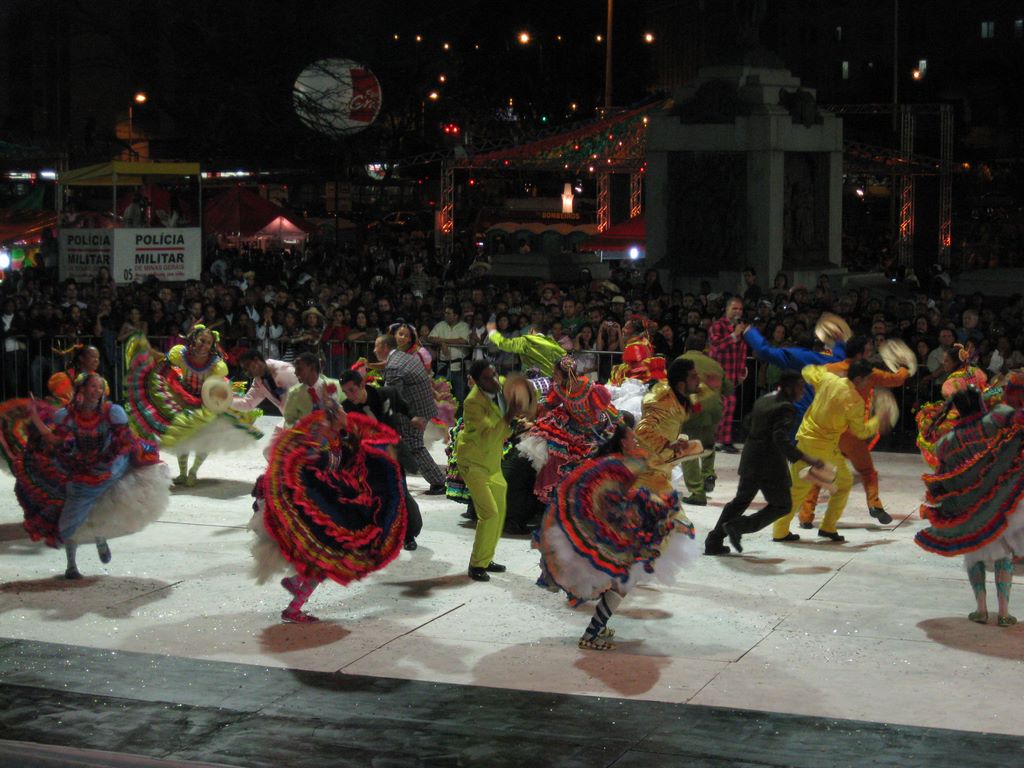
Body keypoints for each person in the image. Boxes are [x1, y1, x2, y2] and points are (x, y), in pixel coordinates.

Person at [535, 414, 698, 650]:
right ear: (623, 441)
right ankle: (591, 634)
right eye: (633, 438)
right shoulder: (615, 465)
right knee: (624, 579)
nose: (637, 441)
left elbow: (656, 465)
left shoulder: (625, 461)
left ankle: (596, 627)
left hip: (619, 534)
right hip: (612, 537)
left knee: (623, 580)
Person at [0, 373, 168, 578]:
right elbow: (55, 440)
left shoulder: (113, 412)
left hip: (108, 467)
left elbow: (125, 441)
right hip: (77, 467)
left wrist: (108, 464)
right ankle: (71, 565)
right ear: (81, 390)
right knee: (66, 509)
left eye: (100, 387)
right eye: (93, 386)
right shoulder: (66, 415)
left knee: (100, 508)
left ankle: (100, 538)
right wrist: (35, 417)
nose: (98, 391)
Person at [250, 406, 407, 623]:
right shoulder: (320, 437)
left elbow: (351, 455)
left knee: (327, 560)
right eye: (342, 413)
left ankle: (296, 586)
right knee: (327, 561)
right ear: (334, 418)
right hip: (315, 503)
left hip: (330, 501)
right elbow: (303, 462)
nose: (347, 416)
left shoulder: (339, 437)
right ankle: (293, 607)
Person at [915, 385, 1024, 627]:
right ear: (981, 402)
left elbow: (942, 480)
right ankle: (1004, 613)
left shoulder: (947, 442)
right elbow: (1019, 420)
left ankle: (981, 610)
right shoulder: (996, 418)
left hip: (969, 509)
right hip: (1001, 502)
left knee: (974, 557)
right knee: (1003, 555)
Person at [123, 325, 263, 486]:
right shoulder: (180, 354)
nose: (204, 345)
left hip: (207, 402)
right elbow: (162, 360)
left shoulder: (216, 365)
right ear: (193, 339)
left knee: (205, 439)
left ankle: (193, 471)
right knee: (183, 437)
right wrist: (146, 348)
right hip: (185, 399)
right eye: (201, 340)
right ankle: (182, 473)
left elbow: (216, 388)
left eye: (208, 343)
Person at [705, 370, 823, 555]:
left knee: (741, 501)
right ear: (789, 387)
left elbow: (747, 422)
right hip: (769, 464)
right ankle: (739, 526)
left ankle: (713, 540)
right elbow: (780, 439)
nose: (803, 391)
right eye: (800, 387)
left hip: (751, 457)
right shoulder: (786, 407)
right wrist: (807, 459)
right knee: (782, 505)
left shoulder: (766, 398)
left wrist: (757, 438)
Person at [798, 337, 910, 528]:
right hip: (852, 432)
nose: (870, 352)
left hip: (829, 433)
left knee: (820, 472)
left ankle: (806, 516)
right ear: (859, 353)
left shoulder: (830, 369)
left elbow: (808, 374)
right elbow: (897, 380)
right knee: (867, 471)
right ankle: (875, 504)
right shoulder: (869, 373)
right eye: (867, 349)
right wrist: (904, 367)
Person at [771, 361, 888, 543]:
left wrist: (829, 370)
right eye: (866, 380)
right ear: (858, 379)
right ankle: (826, 527)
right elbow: (861, 431)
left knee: (799, 488)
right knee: (840, 484)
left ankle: (781, 530)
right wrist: (878, 420)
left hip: (806, 442)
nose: (867, 383)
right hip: (824, 448)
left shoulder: (828, 379)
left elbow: (807, 371)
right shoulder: (855, 401)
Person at [340, 369, 424, 551]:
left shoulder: (386, 394)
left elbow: (403, 406)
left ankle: (408, 534)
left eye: (352, 390)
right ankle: (375, 535)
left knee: (400, 493)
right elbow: (342, 434)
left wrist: (413, 417)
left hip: (393, 455)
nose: (349, 395)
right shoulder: (346, 408)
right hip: (368, 460)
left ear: (362, 385)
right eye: (345, 391)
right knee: (372, 496)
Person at [518, 355, 619, 501]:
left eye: (556, 374)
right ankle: (557, 500)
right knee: (555, 460)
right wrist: (532, 418)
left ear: (568, 375)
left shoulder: (591, 390)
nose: (553, 377)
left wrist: (615, 429)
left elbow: (607, 413)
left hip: (593, 434)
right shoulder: (558, 388)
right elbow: (549, 405)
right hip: (571, 431)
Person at [457, 360, 523, 581]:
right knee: (489, 513)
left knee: (500, 513)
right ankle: (476, 566)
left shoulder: (501, 384)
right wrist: (510, 417)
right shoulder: (472, 403)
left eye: (494, 374)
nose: (494, 380)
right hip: (473, 462)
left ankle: (485, 558)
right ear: (475, 381)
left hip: (493, 461)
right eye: (487, 378)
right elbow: (492, 435)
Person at [375, 333, 446, 493]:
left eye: (376, 346)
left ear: (385, 347)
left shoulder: (394, 365)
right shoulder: (402, 356)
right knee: (409, 443)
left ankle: (439, 481)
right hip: (422, 404)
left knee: (414, 444)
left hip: (415, 410)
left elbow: (393, 396)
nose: (374, 350)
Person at [677, 337, 731, 505]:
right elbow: (728, 388)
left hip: (692, 406)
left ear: (686, 347)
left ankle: (697, 493)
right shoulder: (713, 364)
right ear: (704, 348)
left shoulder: (680, 361)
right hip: (714, 407)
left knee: (688, 447)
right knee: (707, 438)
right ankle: (708, 473)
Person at [708, 297, 748, 452]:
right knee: (718, 407)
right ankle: (712, 439)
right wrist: (733, 335)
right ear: (727, 309)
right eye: (735, 308)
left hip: (732, 374)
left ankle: (724, 440)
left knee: (730, 406)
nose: (738, 311)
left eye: (740, 309)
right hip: (717, 373)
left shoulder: (741, 328)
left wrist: (741, 370)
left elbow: (743, 350)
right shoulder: (717, 326)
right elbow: (716, 348)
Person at [485, 319, 565, 377]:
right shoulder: (553, 344)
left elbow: (505, 344)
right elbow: (565, 359)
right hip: (551, 383)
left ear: (531, 330)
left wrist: (492, 332)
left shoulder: (527, 340)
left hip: (533, 383)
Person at [283, 352, 343, 427]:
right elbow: (288, 421)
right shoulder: (294, 393)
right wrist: (299, 429)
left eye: (299, 369)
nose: (295, 372)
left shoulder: (337, 385)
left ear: (312, 367)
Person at [232, 349, 298, 415]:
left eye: (247, 367)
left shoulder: (285, 370)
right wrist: (226, 401)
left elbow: (303, 394)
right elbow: (248, 404)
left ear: (256, 361)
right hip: (291, 417)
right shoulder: (258, 381)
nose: (246, 372)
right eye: (244, 370)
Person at [427, 305, 471, 402]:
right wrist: (442, 343)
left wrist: (444, 341)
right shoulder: (440, 325)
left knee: (461, 395)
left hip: (459, 367)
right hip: (443, 365)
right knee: (439, 393)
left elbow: (462, 341)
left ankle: (460, 416)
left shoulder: (464, 326)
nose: (445, 315)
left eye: (448, 313)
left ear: (456, 315)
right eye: (445, 313)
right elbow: (430, 338)